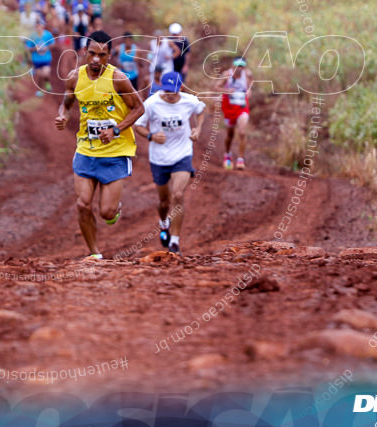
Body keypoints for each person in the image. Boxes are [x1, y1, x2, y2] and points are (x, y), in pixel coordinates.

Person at [56, 30, 144, 260]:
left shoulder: (118, 79)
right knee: (83, 204)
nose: (96, 60)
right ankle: (95, 254)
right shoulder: (75, 77)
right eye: (92, 54)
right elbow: (66, 103)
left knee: (106, 212)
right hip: (86, 148)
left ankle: (114, 209)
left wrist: (115, 129)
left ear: (110, 55)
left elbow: (139, 108)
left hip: (115, 151)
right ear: (85, 52)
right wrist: (63, 116)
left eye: (102, 55)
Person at [134, 72, 205, 254]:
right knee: (164, 201)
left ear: (180, 88)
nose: (169, 94)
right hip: (159, 157)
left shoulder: (189, 100)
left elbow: (201, 110)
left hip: (182, 154)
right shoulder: (151, 103)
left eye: (173, 91)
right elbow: (138, 125)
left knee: (178, 194)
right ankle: (163, 222)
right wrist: (151, 136)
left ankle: (174, 242)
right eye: (166, 90)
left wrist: (198, 129)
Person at [218, 55, 253, 170]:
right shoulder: (226, 74)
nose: (239, 68)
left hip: (242, 105)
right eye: (237, 66)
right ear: (233, 65)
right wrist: (227, 90)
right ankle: (227, 155)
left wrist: (248, 92)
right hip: (229, 106)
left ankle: (240, 159)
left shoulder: (247, 75)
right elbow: (215, 87)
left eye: (242, 66)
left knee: (242, 132)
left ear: (244, 67)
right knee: (230, 134)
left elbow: (249, 89)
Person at [26, 21, 54, 97]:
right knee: (40, 76)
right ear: (35, 27)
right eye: (37, 26)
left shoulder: (48, 34)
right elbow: (27, 48)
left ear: (43, 26)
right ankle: (40, 90)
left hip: (46, 59)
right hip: (36, 60)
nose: (39, 28)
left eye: (40, 26)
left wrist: (46, 48)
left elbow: (53, 44)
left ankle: (47, 82)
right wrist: (35, 48)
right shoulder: (32, 36)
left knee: (45, 73)